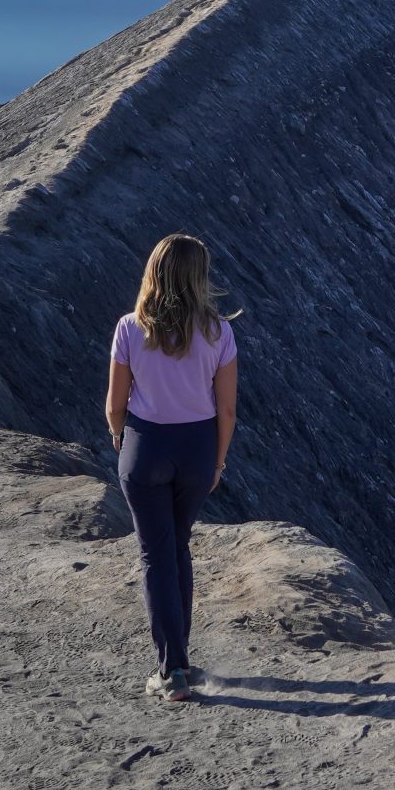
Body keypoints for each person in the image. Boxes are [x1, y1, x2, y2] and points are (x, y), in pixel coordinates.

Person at [104, 233, 238, 703]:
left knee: (155, 555)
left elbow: (114, 406)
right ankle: (180, 662)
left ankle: (171, 671)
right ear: (199, 276)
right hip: (198, 451)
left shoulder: (129, 328)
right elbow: (226, 412)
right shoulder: (219, 332)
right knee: (178, 548)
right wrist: (217, 460)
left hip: (145, 449)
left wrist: (122, 439)